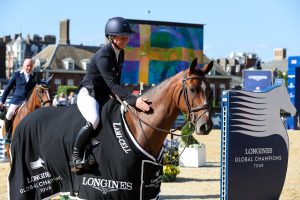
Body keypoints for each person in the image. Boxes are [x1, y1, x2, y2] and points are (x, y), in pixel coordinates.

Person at [70, 17, 150, 172]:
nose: (126, 40)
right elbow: (112, 85)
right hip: (89, 94)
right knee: (94, 119)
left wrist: (129, 101)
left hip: (104, 95)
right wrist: (134, 100)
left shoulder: (120, 53)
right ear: (111, 37)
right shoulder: (103, 55)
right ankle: (75, 157)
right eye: (122, 37)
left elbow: (115, 84)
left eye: (127, 37)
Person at [0, 58, 36, 144]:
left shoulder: (34, 76)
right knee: (9, 114)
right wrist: (2, 101)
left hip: (28, 101)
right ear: (23, 66)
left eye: (31, 66)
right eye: (27, 66)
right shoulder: (17, 75)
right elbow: (8, 88)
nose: (29, 68)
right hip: (17, 100)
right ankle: (8, 134)